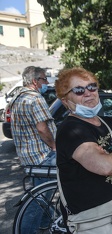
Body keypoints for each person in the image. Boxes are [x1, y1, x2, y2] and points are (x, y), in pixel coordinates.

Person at [54, 67, 112, 231]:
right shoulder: (70, 130)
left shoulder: (111, 122)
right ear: (65, 100)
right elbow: (106, 166)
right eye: (79, 90)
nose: (88, 93)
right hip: (95, 219)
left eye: (91, 86)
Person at [9, 66, 57, 233]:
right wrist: (54, 146)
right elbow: (42, 128)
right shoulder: (35, 99)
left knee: (41, 192)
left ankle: (45, 220)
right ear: (36, 81)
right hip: (43, 155)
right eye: (44, 79)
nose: (47, 82)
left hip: (28, 156)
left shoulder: (17, 98)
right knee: (40, 198)